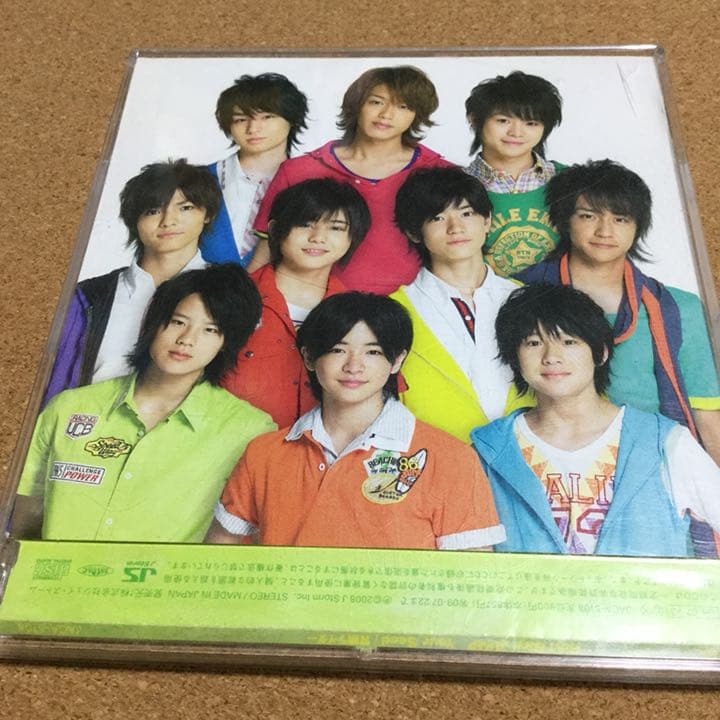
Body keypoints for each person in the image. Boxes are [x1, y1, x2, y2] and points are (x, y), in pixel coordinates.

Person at [206, 292, 505, 550]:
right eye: (338, 349)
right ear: (309, 357)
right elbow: (218, 556)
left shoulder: (452, 459)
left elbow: (472, 577)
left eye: (372, 352)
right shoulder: (263, 454)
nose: (354, 366)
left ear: (397, 361)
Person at [14, 265, 276, 543]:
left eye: (210, 330)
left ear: (226, 343)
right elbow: (24, 519)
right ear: (152, 322)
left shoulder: (247, 430)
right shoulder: (70, 408)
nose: (187, 340)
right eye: (178, 322)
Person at [471, 283, 720, 557]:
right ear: (514, 358)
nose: (551, 357)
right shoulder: (489, 451)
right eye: (533, 343)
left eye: (569, 342)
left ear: (600, 352)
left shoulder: (665, 443)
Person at [516, 159, 720, 466]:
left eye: (621, 219)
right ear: (565, 220)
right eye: (588, 216)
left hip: (654, 464)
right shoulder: (518, 294)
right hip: (550, 464)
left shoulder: (678, 308)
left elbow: (707, 417)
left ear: (638, 226)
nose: (604, 231)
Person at [247, 65, 453, 294]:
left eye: (403, 106)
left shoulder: (441, 173)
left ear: (417, 114)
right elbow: (266, 251)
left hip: (413, 305)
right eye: (376, 102)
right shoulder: (299, 170)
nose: (386, 114)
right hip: (313, 305)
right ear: (357, 105)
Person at [44, 159, 220, 405]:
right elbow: (58, 382)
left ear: (208, 214)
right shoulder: (89, 296)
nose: (168, 221)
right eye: (153, 211)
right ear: (134, 221)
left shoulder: (228, 291)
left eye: (185, 208)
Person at [390, 167, 529, 442]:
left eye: (467, 213)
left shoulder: (525, 298)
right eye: (438, 218)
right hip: (435, 457)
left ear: (487, 221)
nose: (456, 228)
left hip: (525, 455)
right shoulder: (395, 309)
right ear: (414, 232)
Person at [221, 178, 371, 427]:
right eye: (305, 224)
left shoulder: (362, 317)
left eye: (335, 228)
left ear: (352, 237)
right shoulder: (228, 298)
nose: (318, 237)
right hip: (232, 443)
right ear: (274, 229)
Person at [202, 73, 309, 265]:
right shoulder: (198, 180)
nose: (253, 128)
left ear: (292, 119)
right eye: (241, 119)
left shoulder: (310, 185)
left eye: (267, 117)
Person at [464, 71, 564, 277]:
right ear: (474, 120)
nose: (516, 133)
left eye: (531, 123)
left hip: (558, 295)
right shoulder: (455, 186)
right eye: (503, 120)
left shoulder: (568, 179)